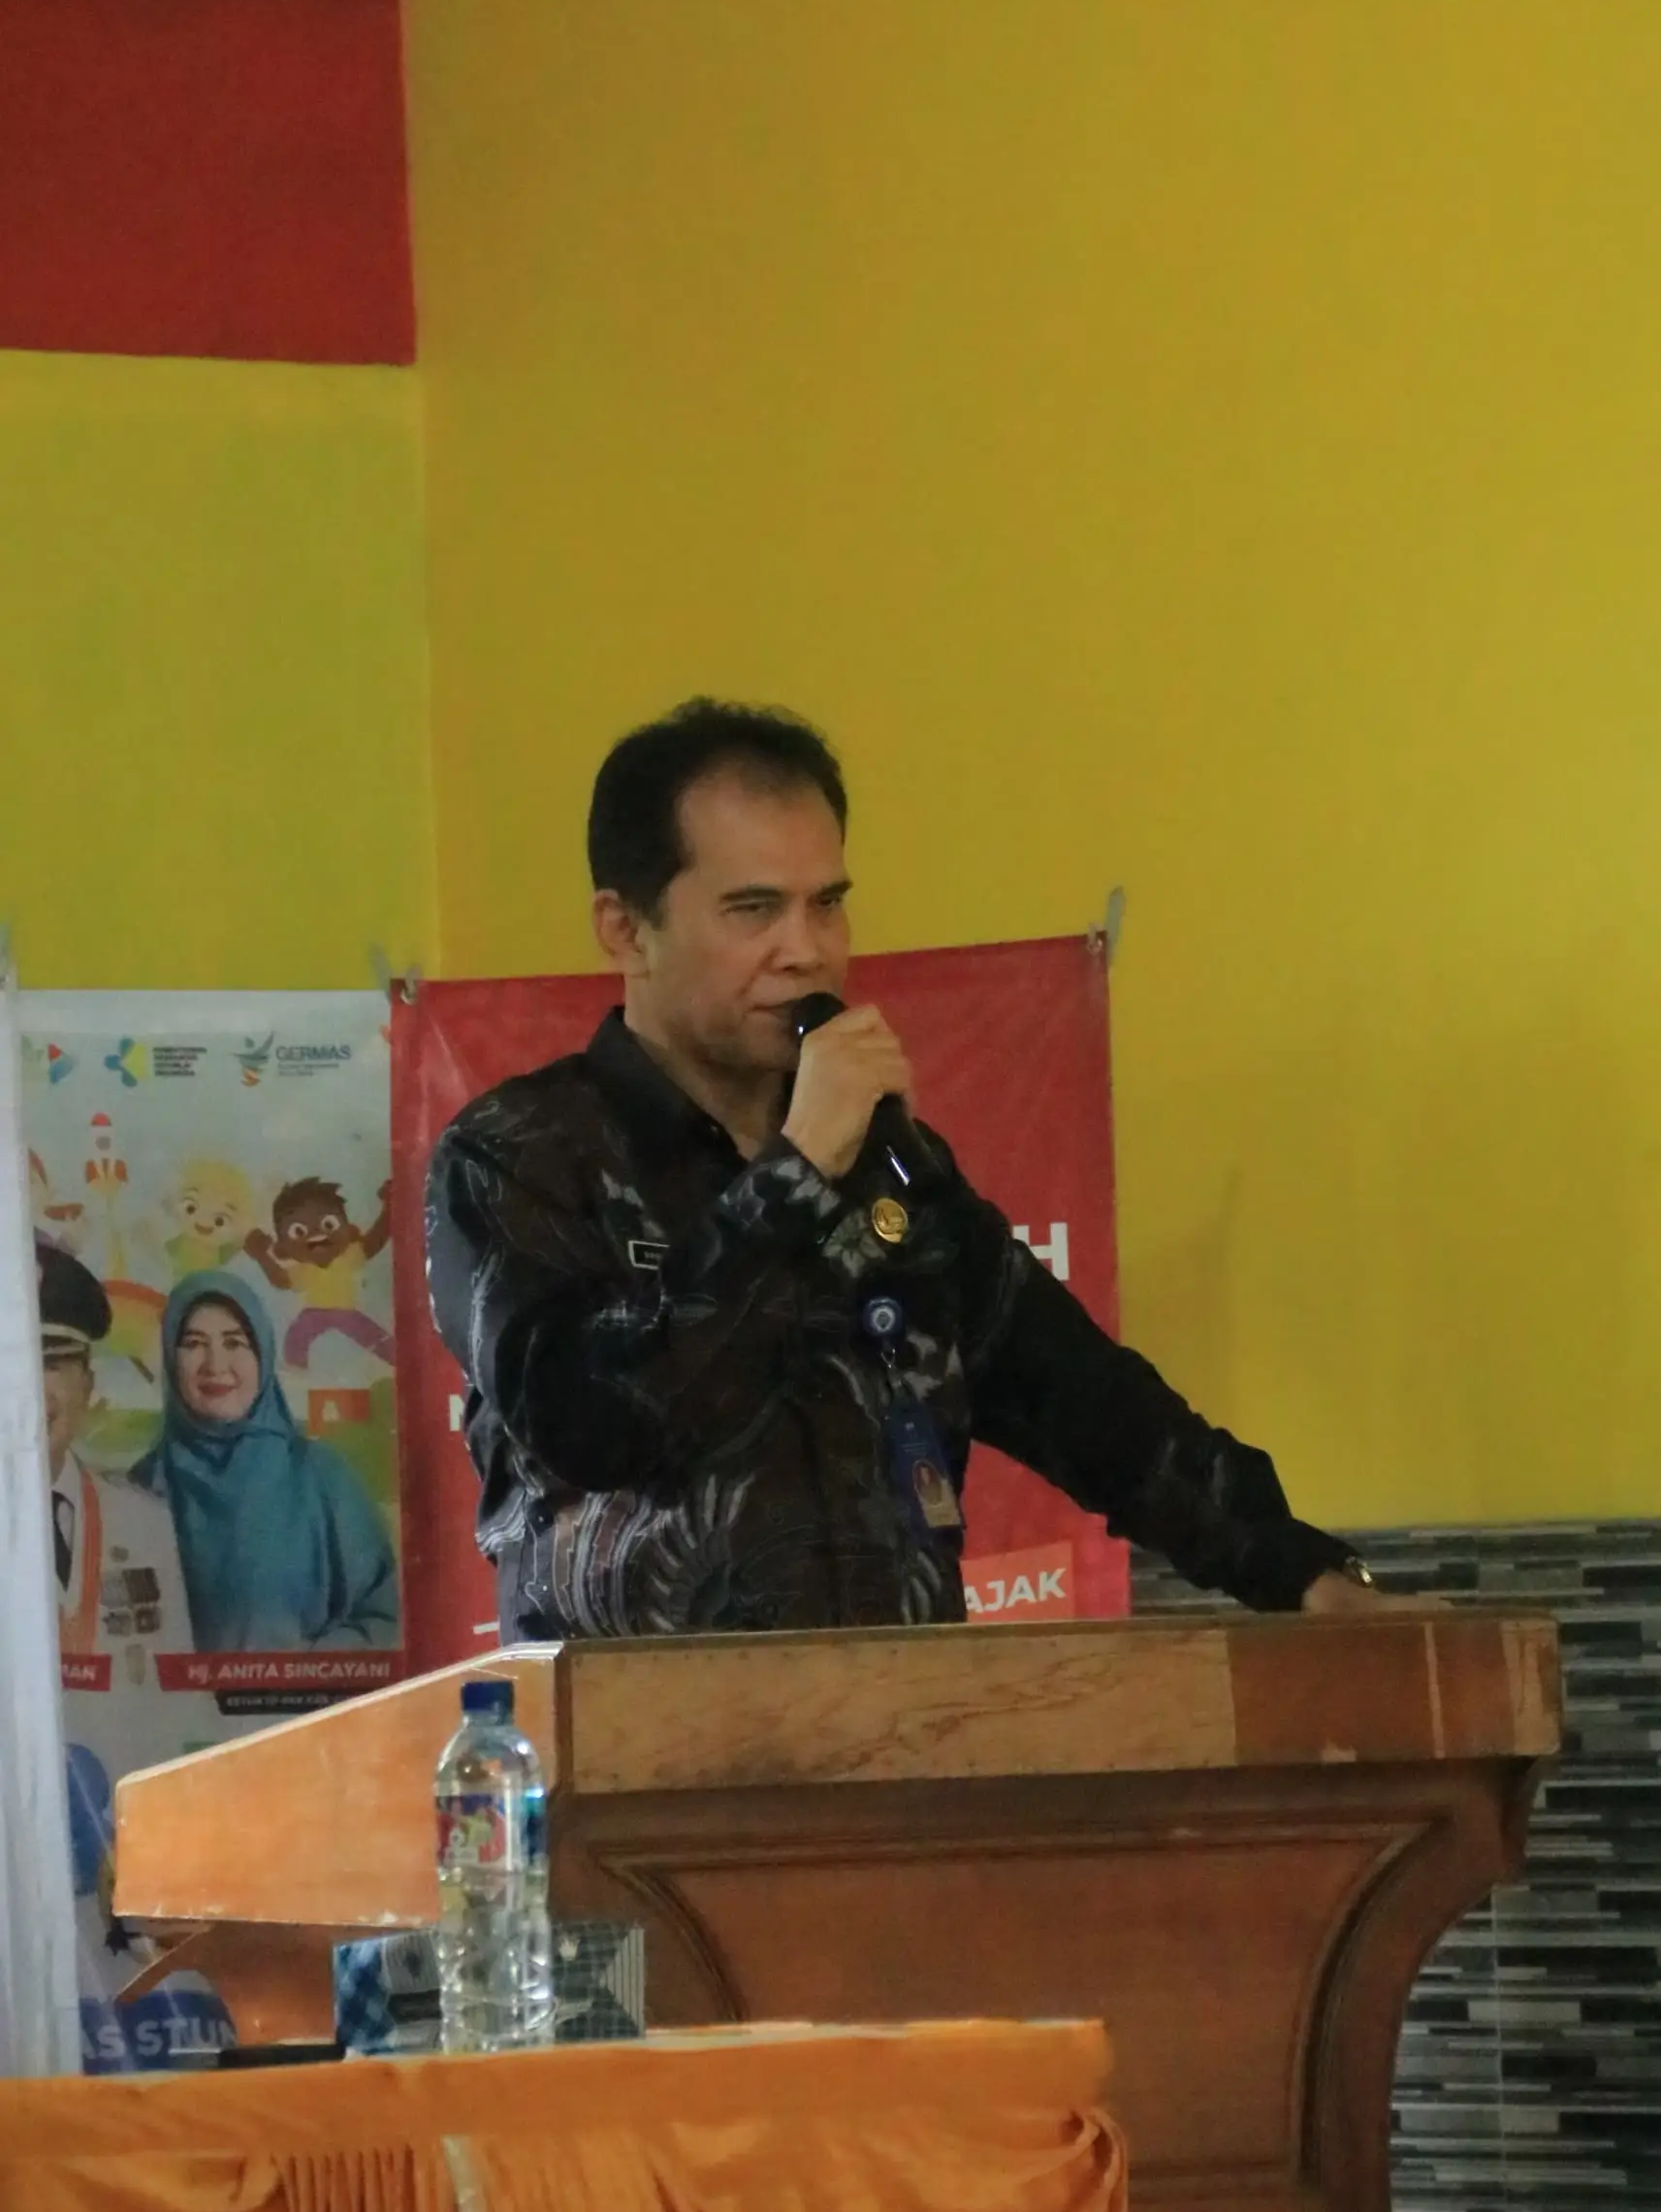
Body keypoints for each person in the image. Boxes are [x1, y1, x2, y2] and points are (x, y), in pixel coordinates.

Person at [428, 698, 1411, 1643]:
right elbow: (589, 1424)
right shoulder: (520, 1154)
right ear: (624, 928)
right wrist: (796, 1179)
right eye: (753, 909)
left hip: (902, 1732)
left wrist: (1305, 1576)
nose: (805, 950)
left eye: (828, 904)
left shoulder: (888, 1165)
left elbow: (1088, 1404)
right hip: (632, 1745)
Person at [132, 1271, 399, 1651]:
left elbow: (385, 1617)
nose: (215, 1364)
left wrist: (301, 1668)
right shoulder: (141, 1488)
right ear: (172, 1361)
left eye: (234, 1342)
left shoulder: (323, 1478)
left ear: (263, 1354)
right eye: (193, 1344)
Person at [38, 1238, 193, 1674]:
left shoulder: (145, 1522)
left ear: (87, 1385)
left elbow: (181, 1697)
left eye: (52, 1363)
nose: (28, 1391)